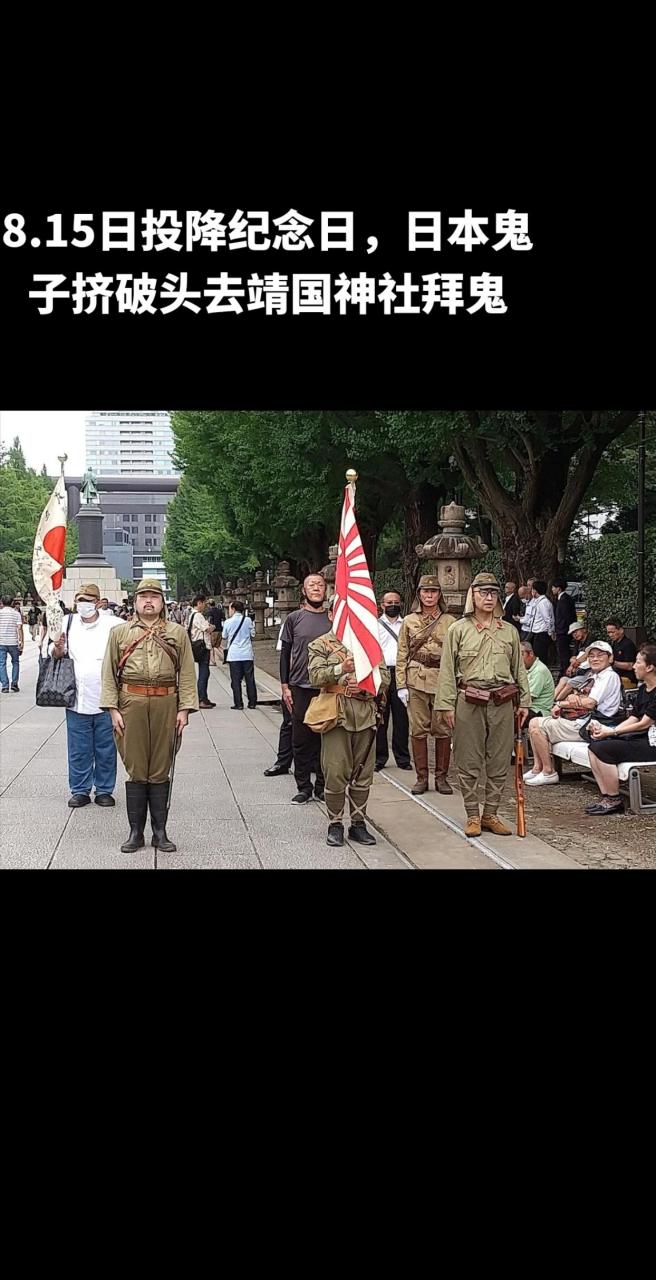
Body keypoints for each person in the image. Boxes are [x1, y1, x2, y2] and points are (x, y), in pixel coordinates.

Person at [100, 577, 199, 852]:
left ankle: (160, 832)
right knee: (136, 768)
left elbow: (188, 672)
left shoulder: (177, 632)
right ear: (135, 602)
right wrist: (112, 709)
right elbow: (108, 673)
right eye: (143, 596)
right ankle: (135, 832)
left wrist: (185, 709)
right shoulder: (119, 633)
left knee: (160, 767)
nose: (148, 600)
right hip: (130, 702)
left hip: (166, 702)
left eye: (154, 596)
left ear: (161, 602)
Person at [436, 572, 531, 837]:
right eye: (483, 593)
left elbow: (518, 670)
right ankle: (472, 815)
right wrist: (445, 706)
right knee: (468, 760)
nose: (489, 598)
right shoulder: (458, 629)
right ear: (473, 596)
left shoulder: (509, 631)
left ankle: (491, 813)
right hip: (469, 700)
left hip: (502, 701)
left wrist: (524, 700)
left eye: (493, 593)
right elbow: (446, 670)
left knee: (500, 760)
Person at [308, 601, 390, 847]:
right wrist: (340, 669)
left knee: (363, 773)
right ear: (332, 614)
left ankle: (358, 823)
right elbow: (314, 676)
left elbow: (384, 677)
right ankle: (335, 823)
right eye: (340, 611)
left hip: (365, 714)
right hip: (336, 716)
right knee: (335, 772)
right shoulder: (320, 644)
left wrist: (365, 686)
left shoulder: (368, 643)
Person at [49, 583, 123, 807]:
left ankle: (104, 789)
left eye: (89, 600)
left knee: (106, 748)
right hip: (76, 697)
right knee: (79, 749)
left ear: (99, 602)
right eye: (80, 600)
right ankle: (80, 789)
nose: (84, 604)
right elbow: (51, 653)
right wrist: (58, 648)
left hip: (106, 699)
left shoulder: (114, 625)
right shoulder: (66, 623)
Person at [525, 640, 622, 786]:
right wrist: (573, 699)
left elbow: (589, 702)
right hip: (582, 721)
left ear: (610, 658)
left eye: (600, 655)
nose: (595, 659)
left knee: (536, 724)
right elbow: (580, 697)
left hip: (593, 726)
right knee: (535, 723)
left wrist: (562, 703)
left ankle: (548, 771)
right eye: (591, 656)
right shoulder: (595, 675)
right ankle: (538, 768)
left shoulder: (609, 676)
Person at [395, 575, 457, 795]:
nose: (429, 595)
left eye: (433, 592)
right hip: (416, 679)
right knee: (418, 730)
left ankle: (441, 778)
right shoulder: (409, 621)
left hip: (442, 680)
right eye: (425, 591)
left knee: (442, 730)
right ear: (419, 594)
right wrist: (400, 684)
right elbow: (402, 653)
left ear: (439, 595)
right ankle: (422, 778)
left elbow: (456, 655)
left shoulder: (450, 622)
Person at [585, 644, 656, 815]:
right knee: (595, 744)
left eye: (638, 662)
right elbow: (634, 717)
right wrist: (609, 731)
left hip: (651, 743)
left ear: (650, 667)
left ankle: (614, 799)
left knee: (604, 748)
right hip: (641, 737)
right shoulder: (643, 689)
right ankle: (607, 796)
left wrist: (612, 732)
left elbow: (644, 723)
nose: (633, 666)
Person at [280, 574, 332, 804]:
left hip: (328, 686)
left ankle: (322, 785)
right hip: (300, 685)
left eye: (320, 585)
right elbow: (285, 653)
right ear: (304, 590)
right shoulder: (294, 618)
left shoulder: (335, 619)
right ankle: (303, 786)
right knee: (300, 738)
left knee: (326, 738)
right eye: (312, 585)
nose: (316, 588)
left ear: (326, 590)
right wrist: (285, 685)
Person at [375, 589, 411, 771]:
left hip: (401, 672)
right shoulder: (374, 625)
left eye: (396, 602)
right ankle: (379, 758)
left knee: (401, 717)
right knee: (380, 717)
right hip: (381, 673)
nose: (392, 605)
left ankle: (403, 758)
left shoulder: (407, 624)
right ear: (382, 605)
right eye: (389, 603)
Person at [263, 621, 293, 776]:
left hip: (321, 683)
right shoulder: (292, 621)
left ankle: (315, 765)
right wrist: (284, 684)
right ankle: (283, 761)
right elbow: (284, 654)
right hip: (296, 680)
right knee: (289, 723)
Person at [222, 599, 257, 710]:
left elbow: (224, 636)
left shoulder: (228, 622)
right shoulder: (248, 620)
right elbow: (253, 634)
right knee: (250, 679)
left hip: (234, 654)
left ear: (233, 609)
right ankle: (252, 702)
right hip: (247, 653)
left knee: (236, 680)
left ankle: (238, 703)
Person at [188, 593, 215, 709]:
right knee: (204, 672)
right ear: (199, 603)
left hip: (196, 645)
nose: (204, 606)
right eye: (203, 603)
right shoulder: (198, 615)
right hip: (202, 646)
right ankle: (201, 698)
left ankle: (204, 697)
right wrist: (212, 627)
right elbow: (207, 629)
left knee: (204, 672)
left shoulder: (192, 615)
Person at [553, 622, 590, 699]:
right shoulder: (578, 642)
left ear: (584, 630)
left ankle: (556, 702)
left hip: (588, 673)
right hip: (579, 672)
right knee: (563, 679)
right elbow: (573, 657)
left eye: (576, 631)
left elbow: (587, 654)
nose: (575, 634)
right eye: (573, 633)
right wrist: (571, 666)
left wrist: (575, 662)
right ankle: (551, 700)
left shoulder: (591, 640)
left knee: (570, 682)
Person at [521, 641, 556, 721]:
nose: (519, 659)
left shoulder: (539, 670)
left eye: (522, 655)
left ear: (531, 653)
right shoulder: (528, 668)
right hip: (530, 706)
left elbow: (528, 698)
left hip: (538, 711)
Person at [551, 576, 578, 675]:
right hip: (562, 630)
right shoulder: (561, 599)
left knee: (564, 653)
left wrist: (560, 630)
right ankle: (563, 670)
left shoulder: (564, 600)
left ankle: (565, 672)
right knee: (562, 653)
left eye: (554, 587)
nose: (552, 589)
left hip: (563, 631)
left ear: (558, 588)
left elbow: (565, 617)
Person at [0, 594, 24, 692]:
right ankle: (14, 683)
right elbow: (19, 628)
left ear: (2, 602)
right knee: (15, 662)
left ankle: (5, 685)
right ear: (12, 603)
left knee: (2, 663)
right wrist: (21, 641)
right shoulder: (16, 614)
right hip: (13, 642)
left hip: (1, 641)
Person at [528, 580, 555, 665]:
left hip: (541, 633)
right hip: (538, 632)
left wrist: (551, 632)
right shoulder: (540, 601)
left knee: (540, 656)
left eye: (532, 589)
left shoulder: (543, 602)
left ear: (535, 590)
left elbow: (547, 619)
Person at [605, 617, 638, 688]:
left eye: (612, 632)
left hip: (627, 679)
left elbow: (630, 666)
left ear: (621, 630)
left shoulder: (628, 644)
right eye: (608, 632)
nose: (610, 635)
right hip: (615, 675)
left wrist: (613, 662)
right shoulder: (614, 643)